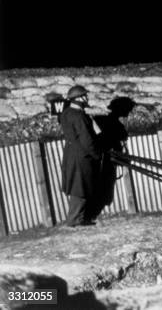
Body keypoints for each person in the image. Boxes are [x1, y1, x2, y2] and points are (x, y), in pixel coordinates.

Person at [59, 85, 102, 226]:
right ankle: (74, 220)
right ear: (78, 98)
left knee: (78, 186)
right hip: (82, 156)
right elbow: (87, 140)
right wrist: (96, 154)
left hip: (71, 154)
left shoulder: (66, 113)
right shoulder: (79, 117)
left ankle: (78, 218)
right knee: (81, 188)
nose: (87, 98)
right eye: (85, 96)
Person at [91, 97, 136, 218]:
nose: (127, 113)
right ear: (121, 110)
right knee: (104, 187)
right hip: (106, 160)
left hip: (109, 160)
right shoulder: (109, 123)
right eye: (126, 110)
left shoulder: (101, 120)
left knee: (105, 187)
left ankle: (94, 212)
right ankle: (93, 213)